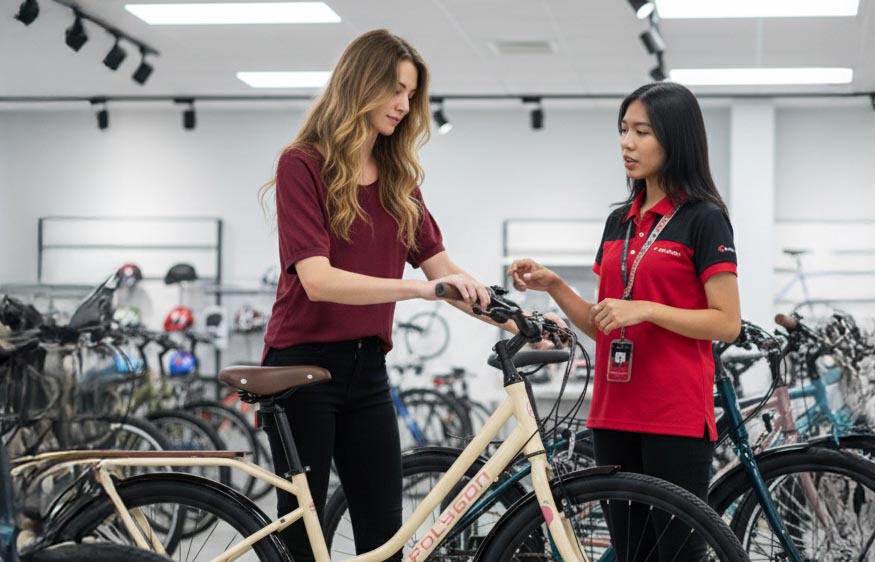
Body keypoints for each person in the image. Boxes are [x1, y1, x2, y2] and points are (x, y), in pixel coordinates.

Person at [258, 29, 490, 562]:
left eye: (411, 95)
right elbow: (318, 279)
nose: (405, 106)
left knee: (385, 535)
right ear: (362, 85)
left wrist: (518, 320)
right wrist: (423, 290)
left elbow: (445, 271)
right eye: (396, 91)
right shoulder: (303, 163)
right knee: (302, 536)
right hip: (301, 368)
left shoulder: (398, 180)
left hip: (367, 369)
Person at [507, 81, 741, 561]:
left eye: (642, 132)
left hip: (674, 417)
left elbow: (726, 323)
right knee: (630, 554)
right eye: (623, 130)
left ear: (676, 139)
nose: (626, 143)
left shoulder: (705, 218)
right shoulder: (619, 221)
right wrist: (555, 285)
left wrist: (648, 310)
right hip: (613, 413)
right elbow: (602, 325)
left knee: (675, 555)